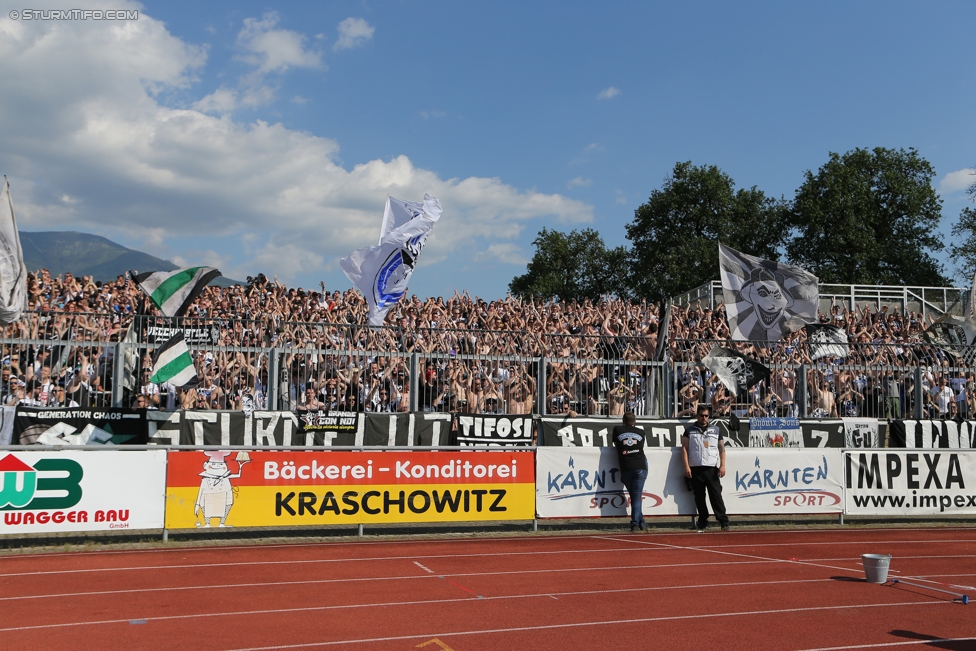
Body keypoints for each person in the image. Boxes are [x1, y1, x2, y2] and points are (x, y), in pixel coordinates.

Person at [682, 404, 730, 532]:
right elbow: (684, 449)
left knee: (716, 496)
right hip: (696, 468)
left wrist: (723, 465)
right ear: (697, 415)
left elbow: (722, 449)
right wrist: (686, 466)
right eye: (702, 415)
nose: (704, 418)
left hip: (711, 468)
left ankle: (723, 521)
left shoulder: (716, 430)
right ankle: (703, 521)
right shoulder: (689, 430)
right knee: (699, 496)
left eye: (706, 416)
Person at [611, 412, 647, 532]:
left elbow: (616, 445)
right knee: (635, 496)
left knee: (635, 496)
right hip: (641, 466)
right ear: (634, 422)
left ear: (623, 421)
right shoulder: (641, 432)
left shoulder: (617, 429)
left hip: (626, 467)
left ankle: (635, 523)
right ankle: (641, 522)